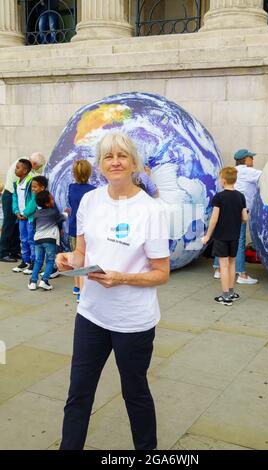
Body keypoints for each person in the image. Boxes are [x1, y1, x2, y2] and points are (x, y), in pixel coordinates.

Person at [56, 132, 170, 450]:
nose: (115, 162)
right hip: (91, 315)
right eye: (108, 156)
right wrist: (68, 260)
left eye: (121, 155)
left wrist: (122, 278)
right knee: (78, 393)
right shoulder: (90, 201)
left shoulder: (152, 211)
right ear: (100, 164)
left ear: (133, 162)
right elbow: (81, 253)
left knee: (135, 393)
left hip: (132, 321)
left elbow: (162, 274)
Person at [213, 149, 262, 284]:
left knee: (222, 238)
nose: (253, 160)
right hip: (239, 210)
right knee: (239, 241)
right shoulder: (248, 171)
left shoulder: (231, 171)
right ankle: (242, 275)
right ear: (246, 159)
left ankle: (218, 270)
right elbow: (267, 177)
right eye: (251, 157)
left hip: (225, 209)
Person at [202, 167, 248, 306]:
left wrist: (207, 236)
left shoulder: (219, 197)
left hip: (221, 236)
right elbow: (245, 218)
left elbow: (214, 219)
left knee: (223, 265)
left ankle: (225, 296)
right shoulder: (241, 196)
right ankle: (232, 292)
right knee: (232, 263)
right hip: (235, 236)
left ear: (223, 180)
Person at [0, 152, 46, 262]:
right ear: (33, 164)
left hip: (19, 197)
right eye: (38, 167)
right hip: (10, 195)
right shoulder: (21, 164)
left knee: (17, 227)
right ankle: (3, 252)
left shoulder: (29, 167)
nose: (38, 169)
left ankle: (15, 251)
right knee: (9, 225)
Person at [67, 160, 95, 303]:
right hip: (88, 228)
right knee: (85, 260)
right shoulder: (93, 190)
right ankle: (81, 291)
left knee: (76, 257)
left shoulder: (71, 188)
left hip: (73, 226)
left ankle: (76, 287)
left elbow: (71, 205)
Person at [28, 190, 67, 291]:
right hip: (50, 239)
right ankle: (44, 281)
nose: (54, 200)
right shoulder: (53, 212)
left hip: (38, 240)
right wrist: (67, 212)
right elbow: (62, 218)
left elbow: (34, 226)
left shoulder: (36, 214)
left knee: (38, 261)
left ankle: (33, 282)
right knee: (50, 261)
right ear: (47, 203)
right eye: (52, 199)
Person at [12, 159, 36, 275]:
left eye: (18, 167)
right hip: (20, 217)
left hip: (29, 218)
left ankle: (34, 262)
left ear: (25, 170)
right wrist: (16, 211)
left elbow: (33, 200)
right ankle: (25, 261)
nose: (15, 169)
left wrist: (26, 213)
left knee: (31, 240)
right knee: (23, 239)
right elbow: (15, 198)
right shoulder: (16, 183)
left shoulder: (31, 182)